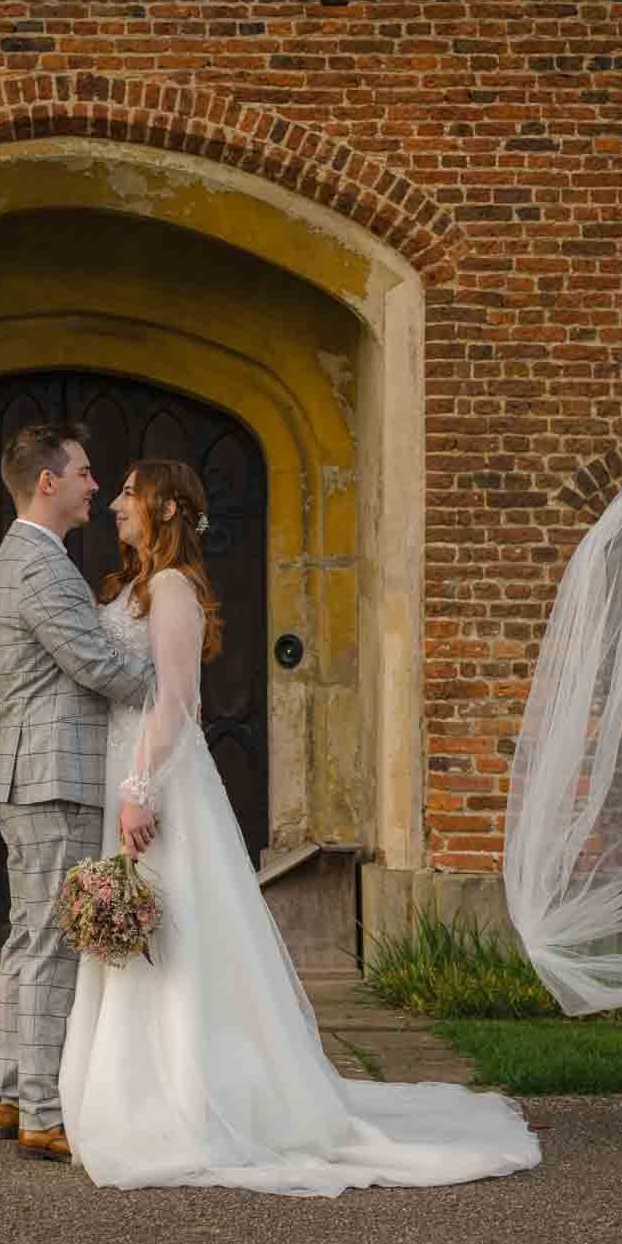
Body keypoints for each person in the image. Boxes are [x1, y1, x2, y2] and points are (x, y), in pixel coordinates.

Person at [57, 459, 542, 1195]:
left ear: (162, 508)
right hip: (131, 770)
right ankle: (134, 1093)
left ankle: (187, 1102)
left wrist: (138, 788)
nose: (117, 504)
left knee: (177, 931)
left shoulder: (173, 589)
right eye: (117, 491)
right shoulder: (129, 587)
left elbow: (179, 701)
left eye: (129, 493)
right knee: (146, 932)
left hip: (159, 780)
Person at [0, 422, 155, 1163]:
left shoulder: (29, 555)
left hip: (34, 770)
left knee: (30, 936)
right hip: (50, 773)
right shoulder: (39, 563)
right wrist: (169, 684)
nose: (97, 485)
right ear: (47, 481)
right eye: (85, 473)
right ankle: (42, 1114)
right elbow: (92, 662)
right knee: (50, 943)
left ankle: (13, 1092)